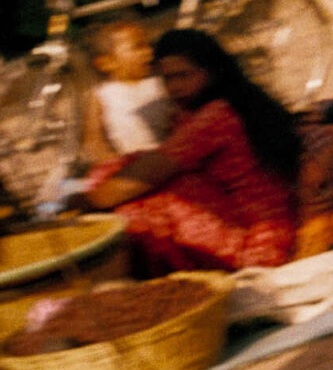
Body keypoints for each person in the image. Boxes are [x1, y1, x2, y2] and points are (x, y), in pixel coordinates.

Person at [76, 27, 301, 276]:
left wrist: (85, 202)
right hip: (248, 216)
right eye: (168, 79)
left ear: (212, 71)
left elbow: (145, 175)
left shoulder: (215, 115)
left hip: (258, 232)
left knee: (137, 207)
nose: (175, 87)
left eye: (183, 76)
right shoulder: (212, 107)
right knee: (121, 174)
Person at [81, 17, 172, 163]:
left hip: (167, 159)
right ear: (107, 63)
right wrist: (112, 162)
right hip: (129, 164)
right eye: (138, 47)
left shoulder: (161, 84)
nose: (148, 52)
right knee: (71, 185)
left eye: (148, 45)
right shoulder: (103, 94)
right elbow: (93, 140)